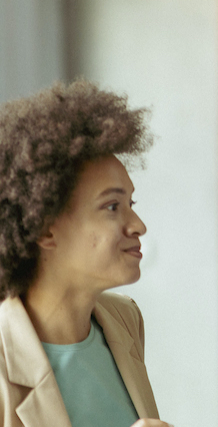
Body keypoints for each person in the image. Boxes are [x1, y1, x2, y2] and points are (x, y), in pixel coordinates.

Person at [0, 82, 170, 427]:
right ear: (45, 228)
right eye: (111, 206)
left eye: (130, 204)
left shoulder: (125, 320)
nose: (138, 225)